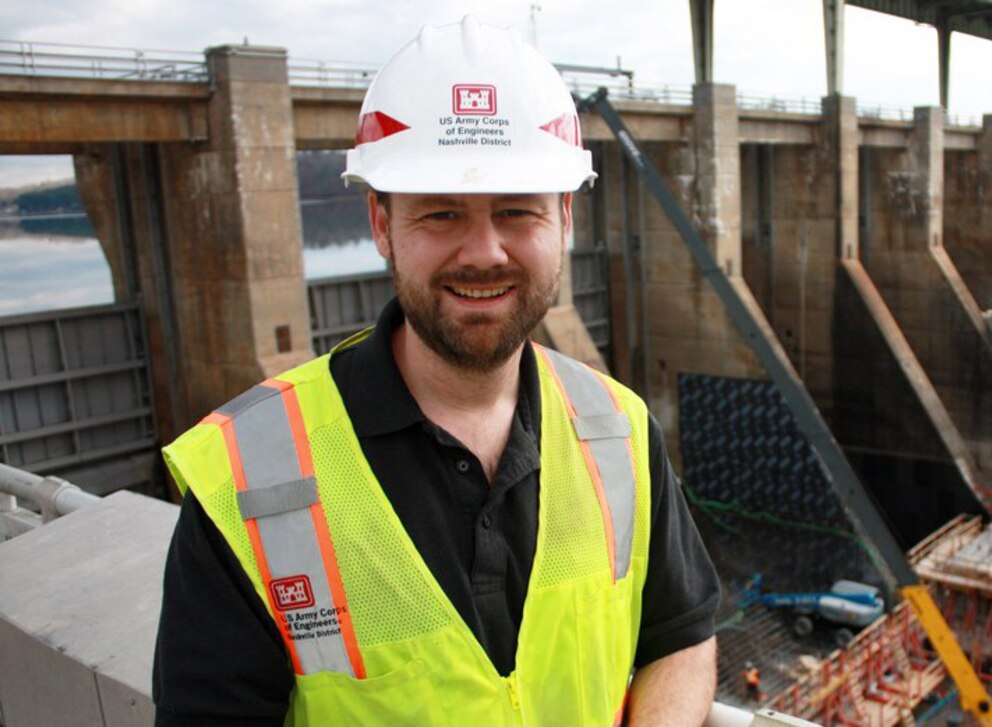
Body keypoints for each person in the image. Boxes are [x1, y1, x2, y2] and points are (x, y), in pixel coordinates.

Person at [153, 16, 720, 726]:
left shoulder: (616, 429)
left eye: (517, 211)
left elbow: (682, 635)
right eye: (442, 213)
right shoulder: (249, 480)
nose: (484, 252)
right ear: (383, 223)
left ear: (565, 219)